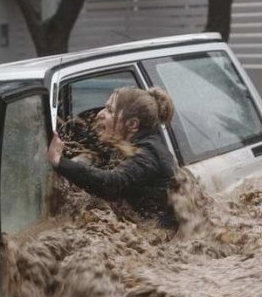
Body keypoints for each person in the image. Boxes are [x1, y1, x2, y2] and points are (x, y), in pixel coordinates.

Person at [47, 86, 178, 228]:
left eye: (110, 110)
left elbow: (111, 185)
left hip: (158, 237)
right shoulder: (126, 145)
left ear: (132, 124)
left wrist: (58, 161)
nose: (99, 114)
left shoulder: (149, 154)